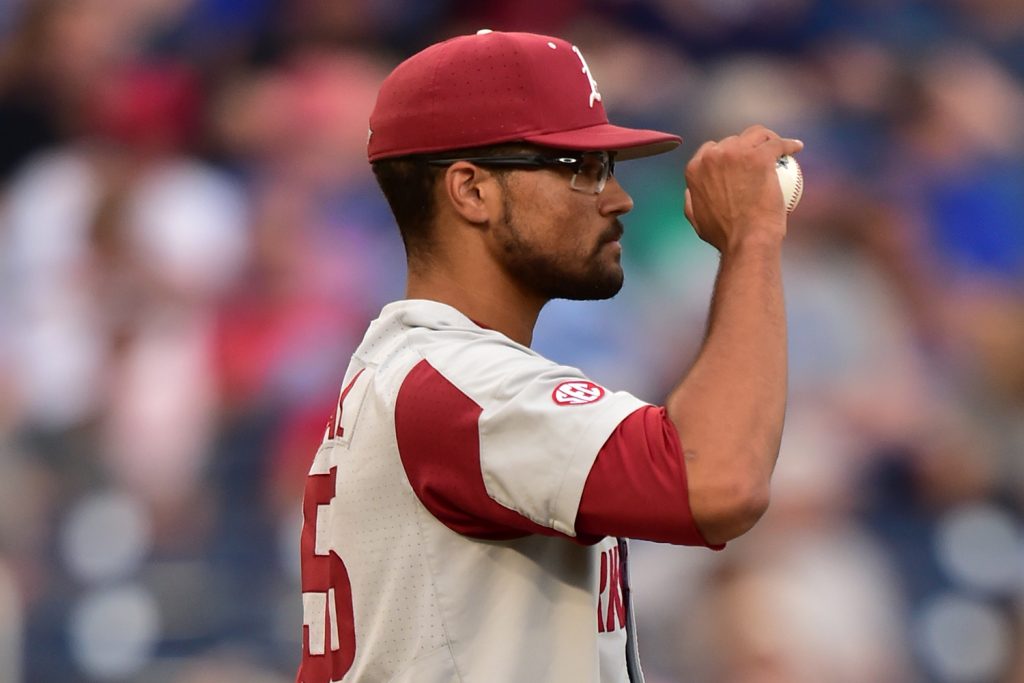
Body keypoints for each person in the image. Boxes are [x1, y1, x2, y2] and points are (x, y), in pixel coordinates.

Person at [295, 29, 802, 683]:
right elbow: (718, 484)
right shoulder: (455, 382)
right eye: (582, 168)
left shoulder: (419, 372)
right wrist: (751, 238)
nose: (618, 198)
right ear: (472, 191)